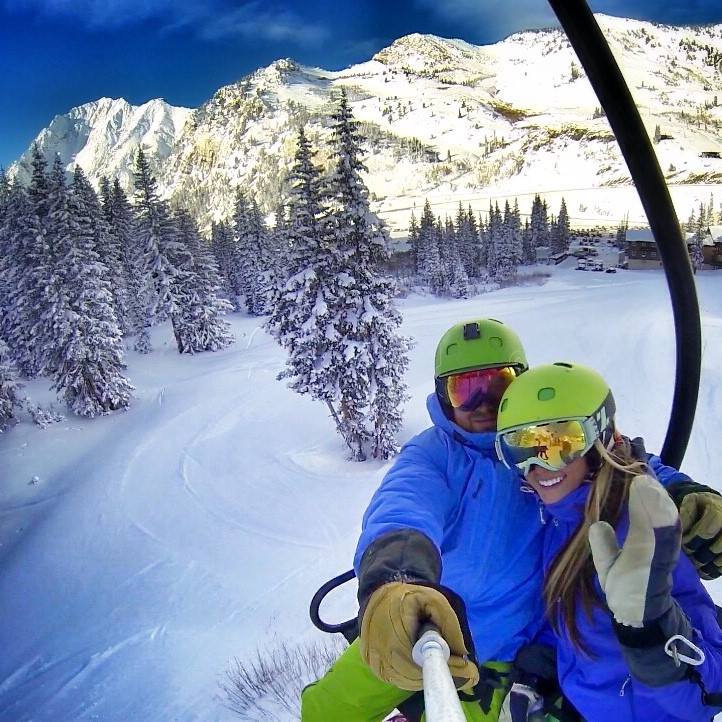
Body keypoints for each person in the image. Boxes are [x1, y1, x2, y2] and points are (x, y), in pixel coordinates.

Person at [301, 319, 722, 722]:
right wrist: (393, 581)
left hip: (507, 647)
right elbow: (402, 509)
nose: (483, 404)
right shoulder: (435, 455)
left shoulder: (540, 441)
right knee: (327, 710)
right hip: (417, 612)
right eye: (465, 389)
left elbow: (619, 461)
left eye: (497, 383)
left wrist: (682, 496)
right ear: (443, 397)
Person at [495, 362, 722, 721]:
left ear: (600, 436)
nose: (537, 467)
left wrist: (652, 633)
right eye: (519, 450)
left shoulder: (640, 529)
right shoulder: (561, 520)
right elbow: (571, 623)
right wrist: (535, 673)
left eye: (557, 445)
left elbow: (710, 690)